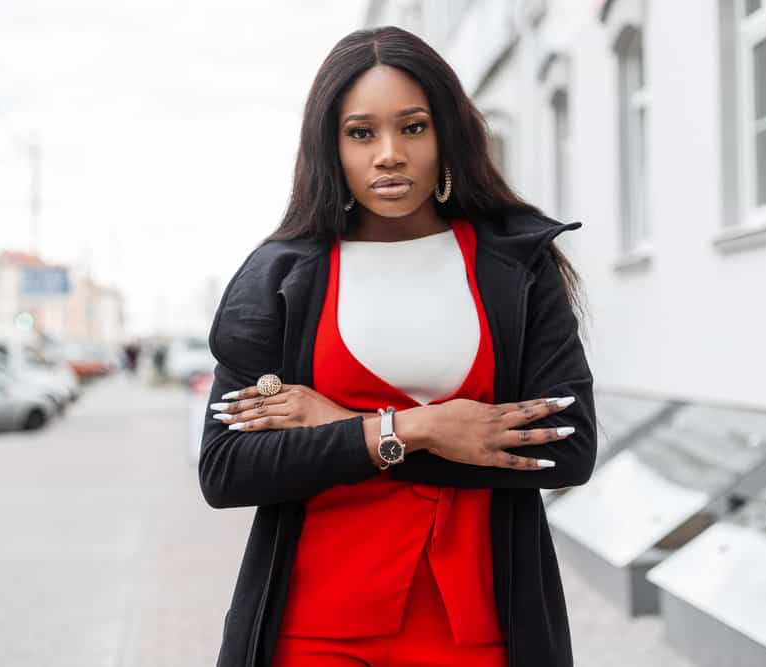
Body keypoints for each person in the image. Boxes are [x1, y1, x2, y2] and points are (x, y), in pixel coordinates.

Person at [198, 26, 597, 667]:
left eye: (413, 127)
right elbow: (225, 470)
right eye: (362, 133)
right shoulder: (279, 275)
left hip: (484, 631)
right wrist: (414, 429)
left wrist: (345, 427)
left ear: (447, 137)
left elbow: (569, 452)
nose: (389, 154)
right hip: (313, 630)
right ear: (331, 146)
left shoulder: (515, 265)